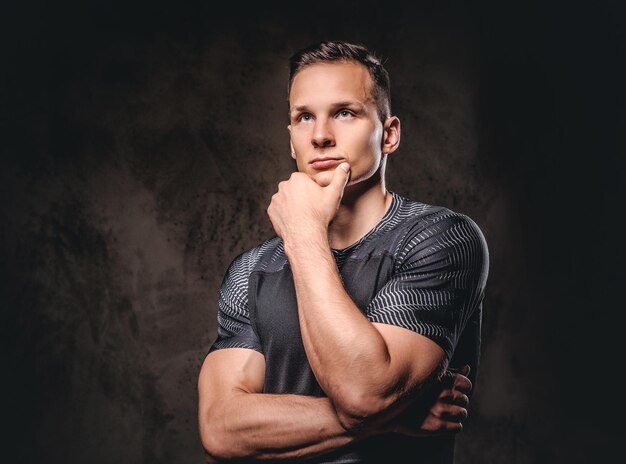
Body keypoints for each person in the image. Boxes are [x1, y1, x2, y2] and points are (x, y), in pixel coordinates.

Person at [197, 40, 489, 463]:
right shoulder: (253, 270)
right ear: (292, 140)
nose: (320, 135)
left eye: (345, 113)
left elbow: (364, 393)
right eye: (304, 117)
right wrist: (394, 418)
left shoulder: (439, 239)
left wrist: (303, 234)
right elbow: (221, 429)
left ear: (388, 134)